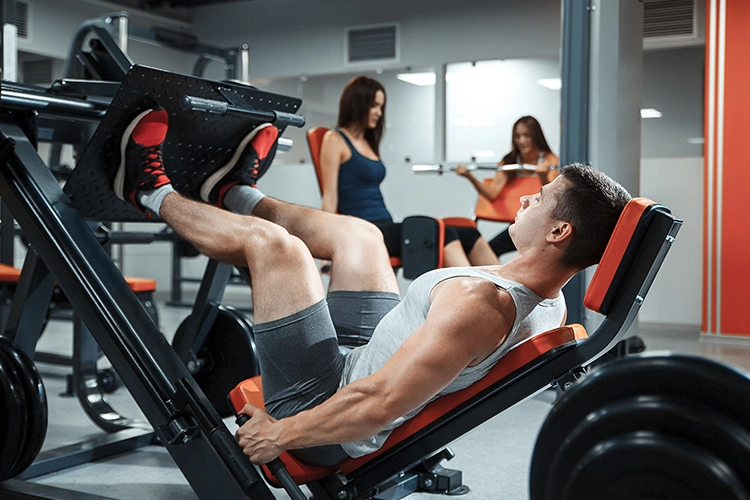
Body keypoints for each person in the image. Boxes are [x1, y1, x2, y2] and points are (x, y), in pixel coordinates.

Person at [114, 106, 631, 467]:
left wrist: (280, 433)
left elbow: (380, 403)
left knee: (278, 249)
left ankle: (147, 189)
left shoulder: (481, 307)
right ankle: (235, 192)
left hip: (324, 408)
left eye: (539, 200)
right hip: (367, 350)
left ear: (560, 232)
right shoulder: (550, 297)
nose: (524, 201)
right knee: (360, 236)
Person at [319, 76, 498, 267]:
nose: (379, 113)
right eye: (374, 106)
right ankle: (470, 294)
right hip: (365, 230)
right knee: (442, 234)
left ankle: (503, 291)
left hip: (385, 225)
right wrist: (325, 253)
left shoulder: (367, 143)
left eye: (381, 107)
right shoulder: (334, 140)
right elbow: (329, 199)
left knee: (468, 234)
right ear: (356, 103)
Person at [456, 115, 559, 257]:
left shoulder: (550, 159)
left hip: (540, 224)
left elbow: (550, 195)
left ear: (536, 136)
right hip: (519, 223)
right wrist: (469, 176)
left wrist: (542, 174)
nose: (522, 141)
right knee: (487, 252)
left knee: (532, 256)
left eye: (526, 136)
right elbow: (492, 193)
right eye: (517, 136)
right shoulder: (509, 161)